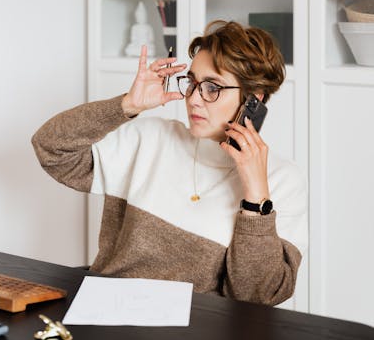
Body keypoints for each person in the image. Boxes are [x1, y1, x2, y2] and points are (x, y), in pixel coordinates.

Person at [32, 20, 307, 306]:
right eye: (192, 82)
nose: (194, 99)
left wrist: (255, 200)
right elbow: (51, 148)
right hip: (106, 316)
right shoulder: (150, 138)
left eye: (212, 87)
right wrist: (126, 105)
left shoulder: (282, 180)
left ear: (254, 99)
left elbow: (258, 296)